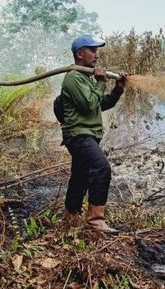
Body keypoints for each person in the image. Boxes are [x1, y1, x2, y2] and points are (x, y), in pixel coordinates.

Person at [60, 35, 127, 234]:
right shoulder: (73, 77)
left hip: (88, 134)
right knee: (101, 168)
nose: (96, 56)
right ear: (80, 54)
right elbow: (89, 104)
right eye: (93, 51)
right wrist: (100, 83)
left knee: (80, 176)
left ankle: (71, 216)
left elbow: (101, 104)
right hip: (78, 134)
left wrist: (118, 90)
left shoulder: (86, 77)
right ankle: (95, 220)